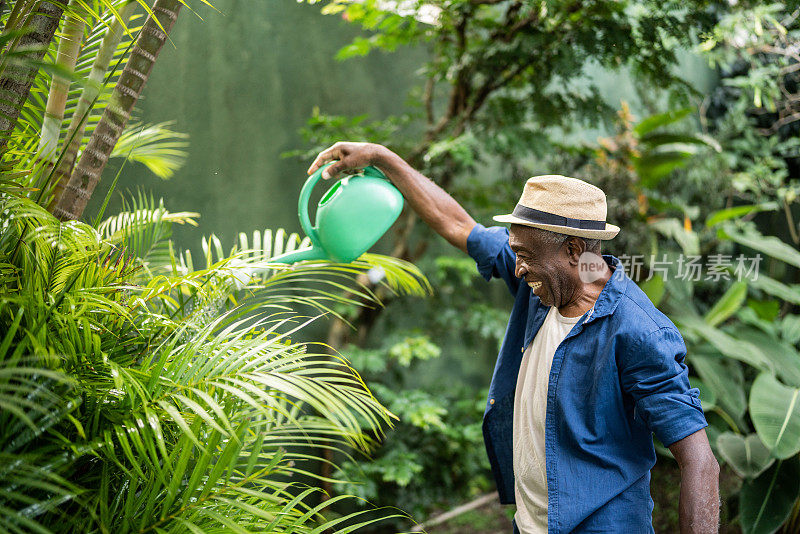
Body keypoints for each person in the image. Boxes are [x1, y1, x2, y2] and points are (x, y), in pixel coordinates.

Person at [307, 142, 720, 534]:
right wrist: (382, 158)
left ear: (574, 250)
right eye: (515, 253)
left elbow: (699, 461)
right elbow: (457, 224)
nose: (517, 269)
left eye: (524, 256)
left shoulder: (638, 331)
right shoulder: (545, 283)